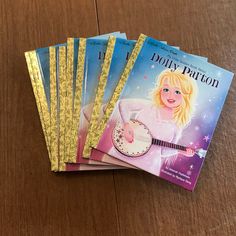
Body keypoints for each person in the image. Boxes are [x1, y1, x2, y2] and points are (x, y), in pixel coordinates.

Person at [116, 69, 198, 175]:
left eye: (177, 92)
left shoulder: (177, 125)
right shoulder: (150, 106)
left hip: (147, 166)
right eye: (166, 89)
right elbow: (123, 104)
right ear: (160, 90)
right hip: (123, 151)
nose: (170, 96)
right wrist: (126, 124)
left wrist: (179, 150)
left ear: (186, 96)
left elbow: (163, 151)